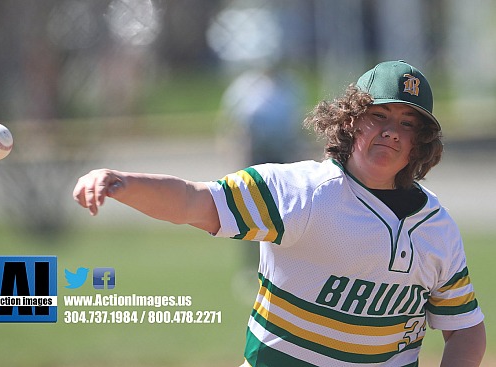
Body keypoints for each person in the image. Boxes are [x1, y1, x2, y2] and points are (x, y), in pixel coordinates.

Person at [73, 60, 486, 366]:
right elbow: (193, 201)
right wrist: (121, 181)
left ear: (421, 142)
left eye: (408, 123)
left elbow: (464, 327)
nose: (391, 130)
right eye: (378, 115)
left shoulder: (437, 227)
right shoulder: (299, 192)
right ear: (350, 122)